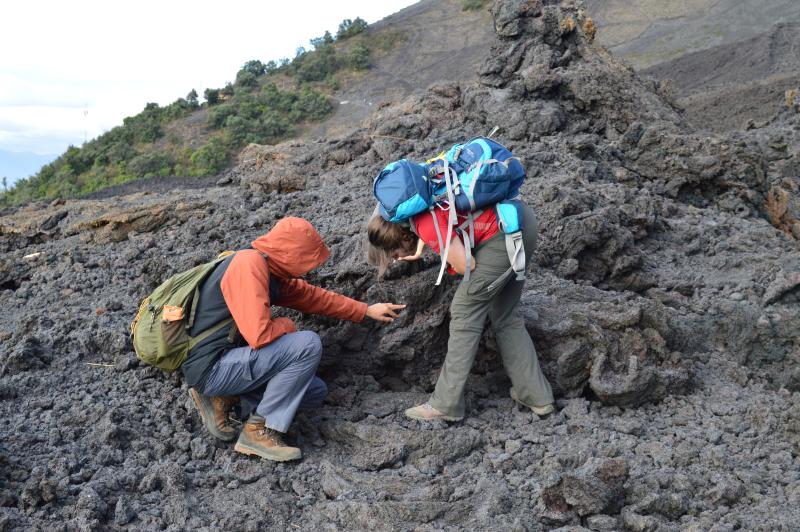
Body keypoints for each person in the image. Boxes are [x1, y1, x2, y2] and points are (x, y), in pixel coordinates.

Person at [184, 216, 404, 461]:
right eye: (306, 261)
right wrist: (287, 326)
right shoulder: (249, 264)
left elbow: (312, 297)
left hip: (230, 363)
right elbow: (259, 335)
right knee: (307, 344)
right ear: (290, 253)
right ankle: (258, 431)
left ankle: (224, 397)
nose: (308, 270)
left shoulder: (270, 271)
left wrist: (365, 310)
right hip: (212, 367)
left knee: (313, 391)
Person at [367, 202, 554, 421]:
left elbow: (467, 265)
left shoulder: (425, 224)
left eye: (395, 253)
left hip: (501, 240)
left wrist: (449, 258)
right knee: (504, 314)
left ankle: (445, 405)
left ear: (404, 238)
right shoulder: (423, 209)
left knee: (464, 312)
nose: (397, 258)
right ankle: (537, 396)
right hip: (521, 222)